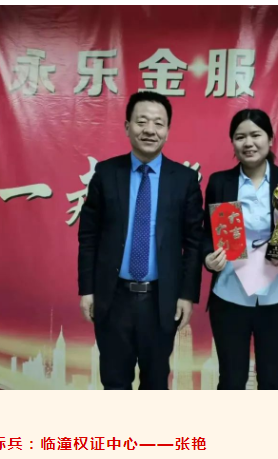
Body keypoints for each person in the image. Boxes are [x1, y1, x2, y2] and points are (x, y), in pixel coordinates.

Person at [78, 91, 204, 390]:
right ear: (127, 127)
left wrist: (187, 295)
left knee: (156, 383)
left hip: (160, 300)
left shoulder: (184, 179)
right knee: (114, 383)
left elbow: (194, 242)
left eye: (158, 123)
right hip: (113, 297)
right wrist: (87, 289)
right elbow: (88, 235)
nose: (150, 129)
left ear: (167, 131)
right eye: (141, 121)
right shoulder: (106, 173)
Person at [202, 108, 278, 390]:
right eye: (240, 137)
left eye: (256, 135)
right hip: (229, 295)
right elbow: (206, 233)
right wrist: (208, 258)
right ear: (232, 142)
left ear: (270, 139)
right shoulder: (220, 182)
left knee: (272, 382)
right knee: (231, 381)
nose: (248, 143)